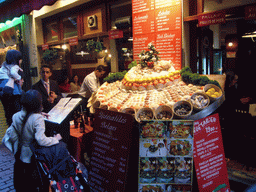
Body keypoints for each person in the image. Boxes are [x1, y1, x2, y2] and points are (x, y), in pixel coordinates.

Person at [8, 89, 62, 191]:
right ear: (37, 103)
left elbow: (25, 119)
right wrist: (55, 139)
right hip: (32, 155)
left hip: (20, 152)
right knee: (33, 182)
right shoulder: (37, 118)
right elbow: (41, 140)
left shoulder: (15, 116)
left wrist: (40, 114)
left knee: (23, 178)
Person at [0, 49, 24, 126]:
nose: (21, 61)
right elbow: (13, 73)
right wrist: (19, 77)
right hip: (11, 89)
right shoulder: (15, 66)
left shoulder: (4, 66)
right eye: (20, 59)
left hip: (4, 85)